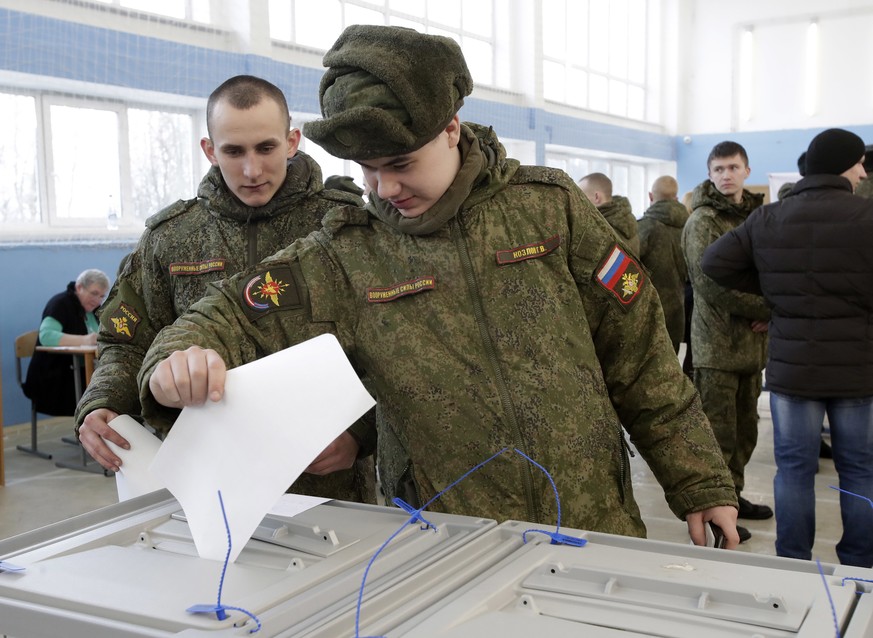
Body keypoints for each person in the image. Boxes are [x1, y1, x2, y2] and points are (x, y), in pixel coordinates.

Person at [139, 25, 740, 548]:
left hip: (590, 518)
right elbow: (228, 315)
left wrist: (698, 480)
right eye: (367, 171)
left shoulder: (548, 210)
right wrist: (175, 359)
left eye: (400, 165)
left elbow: (641, 359)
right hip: (441, 540)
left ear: (451, 129)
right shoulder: (347, 253)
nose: (383, 189)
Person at [74, 75, 375, 504]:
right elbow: (125, 341)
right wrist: (103, 401)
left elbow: (393, 347)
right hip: (203, 485)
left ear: (292, 141)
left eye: (266, 148)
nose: (251, 170)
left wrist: (361, 435)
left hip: (326, 483)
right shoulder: (171, 238)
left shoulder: (343, 228)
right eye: (234, 151)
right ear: (210, 150)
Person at [701, 128, 873, 568]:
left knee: (794, 470)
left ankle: (792, 562)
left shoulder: (768, 218)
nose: (861, 170)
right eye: (857, 163)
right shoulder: (866, 216)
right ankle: (859, 563)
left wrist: (775, 293)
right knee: (860, 471)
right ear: (844, 166)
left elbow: (714, 264)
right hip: (858, 369)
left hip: (793, 371)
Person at [681, 141, 771, 543]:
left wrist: (767, 310)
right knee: (718, 435)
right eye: (718, 169)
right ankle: (718, 511)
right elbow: (709, 283)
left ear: (747, 171)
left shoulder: (758, 216)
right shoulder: (702, 221)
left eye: (733, 167)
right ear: (710, 173)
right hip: (717, 346)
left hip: (752, 347)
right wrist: (766, 307)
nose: (726, 175)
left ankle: (734, 496)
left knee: (746, 432)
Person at [24, 269, 109, 416]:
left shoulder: (94, 310)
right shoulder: (60, 304)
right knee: (107, 395)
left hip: (83, 373)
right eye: (94, 293)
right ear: (79, 287)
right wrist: (85, 340)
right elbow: (46, 336)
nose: (98, 300)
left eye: (102, 296)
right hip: (55, 377)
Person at [636, 176, 689, 352]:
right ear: (676, 197)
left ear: (651, 196)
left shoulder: (644, 228)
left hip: (647, 315)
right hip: (678, 315)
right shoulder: (689, 227)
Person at [578, 173, 641, 255]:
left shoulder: (598, 229)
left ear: (597, 197)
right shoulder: (627, 219)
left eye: (581, 196)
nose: (578, 201)